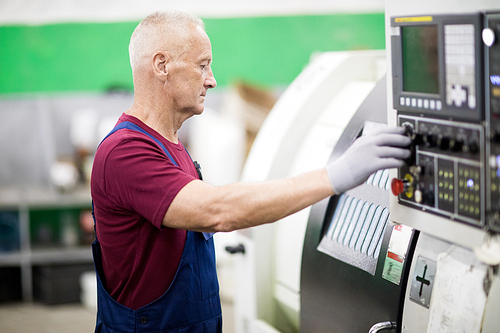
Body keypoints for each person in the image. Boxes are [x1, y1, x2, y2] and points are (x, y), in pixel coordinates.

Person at [90, 10, 411, 333]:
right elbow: (217, 210)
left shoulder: (171, 146)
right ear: (162, 66)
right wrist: (337, 175)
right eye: (202, 65)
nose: (211, 79)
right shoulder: (126, 151)